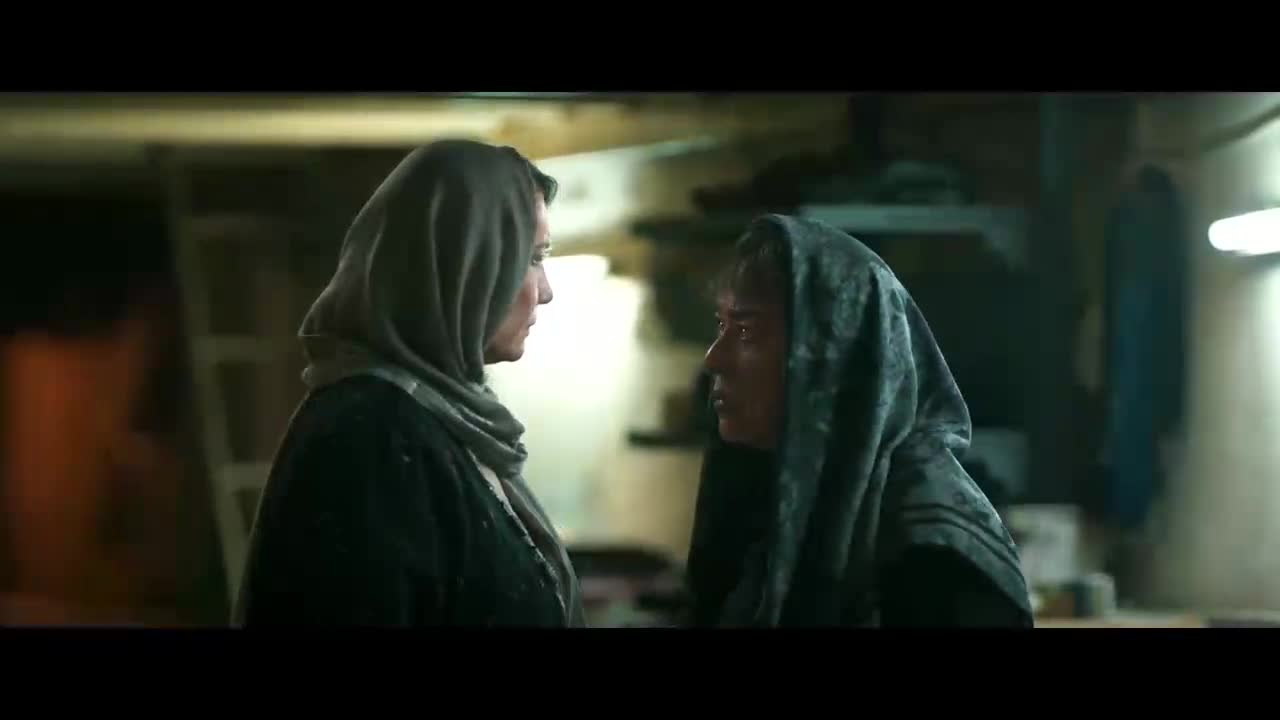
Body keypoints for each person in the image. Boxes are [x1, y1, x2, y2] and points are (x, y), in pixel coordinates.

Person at [233, 140, 584, 627]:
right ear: (461, 263)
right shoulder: (373, 433)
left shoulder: (447, 422)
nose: (546, 292)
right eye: (532, 258)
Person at [685, 214, 1033, 627]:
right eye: (721, 325)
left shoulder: (935, 557)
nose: (714, 359)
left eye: (747, 332)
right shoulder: (778, 504)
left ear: (836, 351)